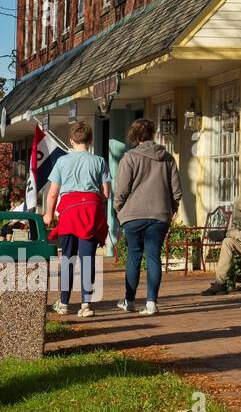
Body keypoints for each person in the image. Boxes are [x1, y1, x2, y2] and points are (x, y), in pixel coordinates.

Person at [113, 118, 182, 315]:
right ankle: (151, 302)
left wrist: (118, 209)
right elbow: (176, 190)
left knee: (134, 257)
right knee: (153, 256)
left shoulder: (130, 157)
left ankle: (130, 300)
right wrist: (172, 207)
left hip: (133, 215)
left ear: (134, 135)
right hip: (160, 215)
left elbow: (122, 190)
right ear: (153, 133)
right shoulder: (167, 158)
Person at [44, 121, 111, 317]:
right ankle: (86, 304)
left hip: (68, 212)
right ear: (90, 140)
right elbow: (106, 193)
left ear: (71, 140)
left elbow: (52, 193)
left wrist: (49, 214)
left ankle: (64, 303)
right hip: (90, 211)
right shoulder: (99, 161)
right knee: (88, 259)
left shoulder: (62, 162)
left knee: (67, 258)